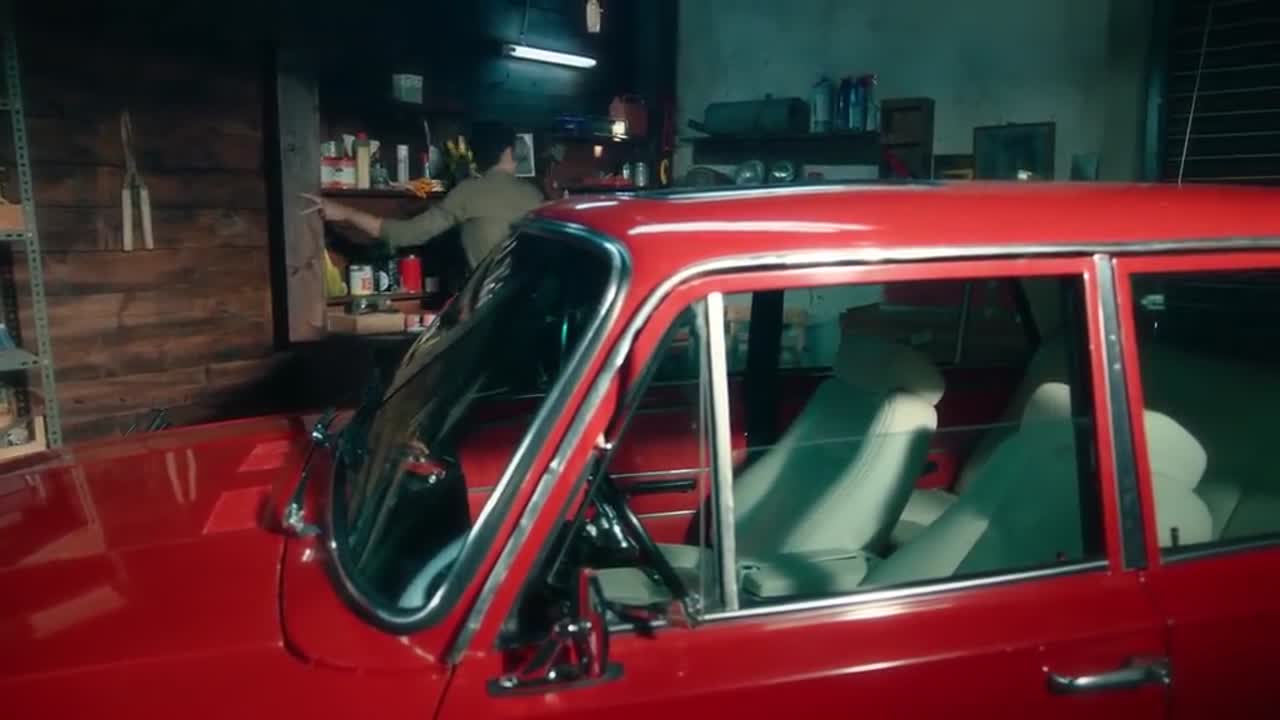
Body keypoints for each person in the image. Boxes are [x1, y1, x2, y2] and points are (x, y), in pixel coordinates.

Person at [302, 121, 545, 272]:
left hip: (488, 308)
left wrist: (344, 212)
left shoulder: (470, 192)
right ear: (509, 152)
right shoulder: (535, 195)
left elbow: (406, 234)